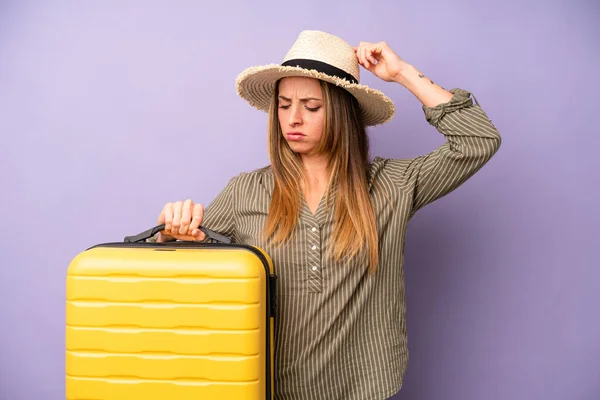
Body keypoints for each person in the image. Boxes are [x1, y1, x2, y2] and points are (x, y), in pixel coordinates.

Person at [151, 30, 501, 400]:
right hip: (268, 388)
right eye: (284, 105)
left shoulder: (392, 186)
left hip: (366, 388)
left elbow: (478, 140)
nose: (293, 119)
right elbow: (187, 287)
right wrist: (172, 235)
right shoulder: (245, 191)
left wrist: (402, 73)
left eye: (311, 106)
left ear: (341, 111)